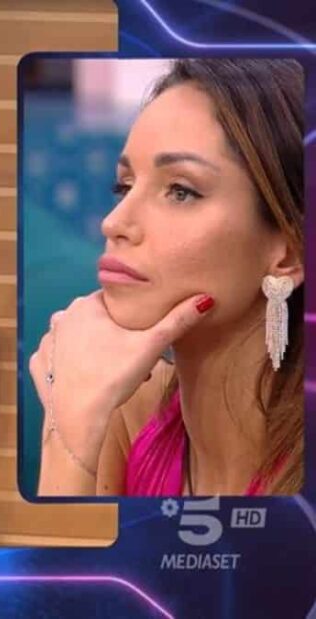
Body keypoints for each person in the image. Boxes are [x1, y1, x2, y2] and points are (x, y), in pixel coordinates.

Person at [29, 58, 304, 497]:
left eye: (180, 191)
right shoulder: (124, 407)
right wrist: (70, 419)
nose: (114, 223)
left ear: (289, 253)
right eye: (124, 186)